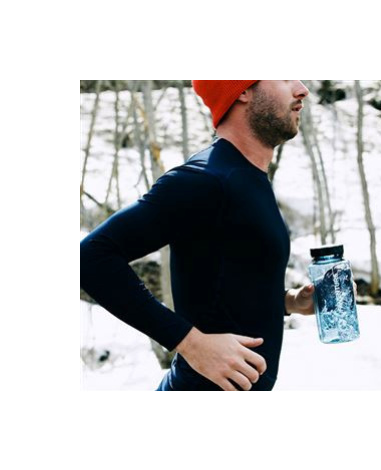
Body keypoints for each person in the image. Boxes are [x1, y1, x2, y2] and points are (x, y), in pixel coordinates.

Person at [81, 80, 342, 391]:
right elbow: (90, 257)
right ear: (242, 90)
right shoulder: (205, 179)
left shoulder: (247, 177)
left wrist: (289, 301)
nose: (302, 89)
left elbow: (224, 285)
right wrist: (190, 343)